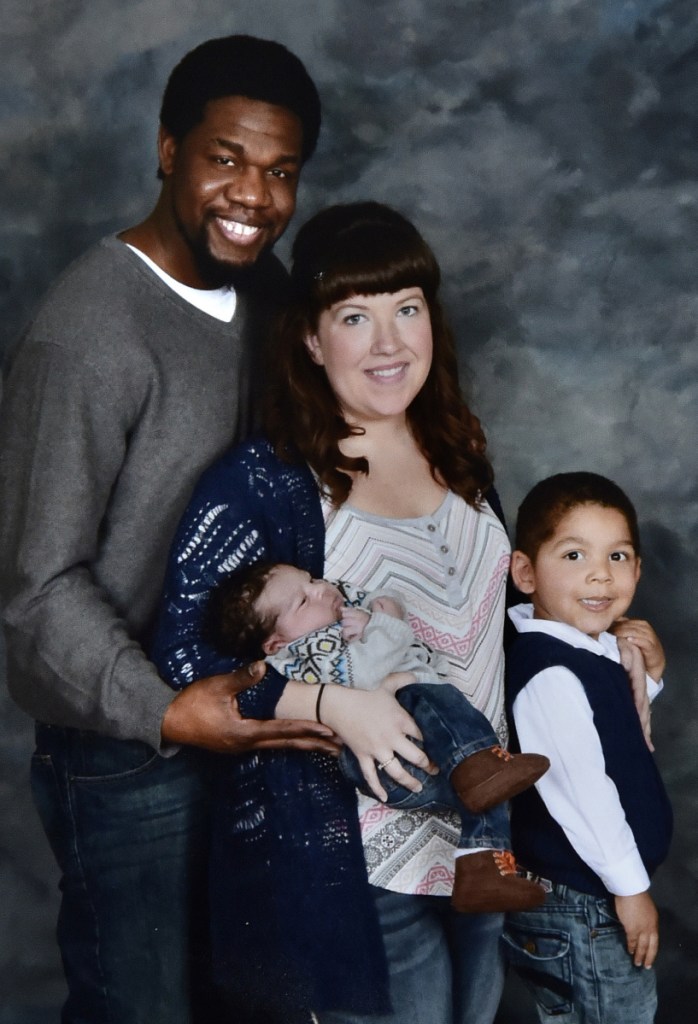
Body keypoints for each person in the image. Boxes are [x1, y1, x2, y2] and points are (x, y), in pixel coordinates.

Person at [0, 35, 333, 1024]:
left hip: (253, 725)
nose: (251, 195)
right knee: (141, 1008)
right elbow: (36, 588)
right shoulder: (87, 336)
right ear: (165, 151)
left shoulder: (272, 299)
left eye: (279, 172)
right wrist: (165, 711)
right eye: (224, 158)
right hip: (128, 750)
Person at [152, 201, 515, 1023]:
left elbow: (497, 620)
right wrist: (328, 702)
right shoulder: (269, 481)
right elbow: (181, 658)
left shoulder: (460, 452)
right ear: (312, 339)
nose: (390, 344)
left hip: (480, 843)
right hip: (359, 855)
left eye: (407, 309)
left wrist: (612, 640)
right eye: (356, 316)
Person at [212, 559, 549, 913]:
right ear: (274, 643)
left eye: (311, 580)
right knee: (434, 697)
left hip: (413, 751)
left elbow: (382, 599)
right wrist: (384, 624)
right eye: (303, 601)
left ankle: (482, 865)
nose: (320, 589)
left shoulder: (336, 611)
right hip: (388, 759)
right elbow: (366, 672)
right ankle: (477, 764)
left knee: (486, 791)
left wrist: (380, 609)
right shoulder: (299, 654)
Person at [502, 472, 673, 1024]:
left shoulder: (584, 649)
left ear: (638, 570)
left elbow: (610, 727)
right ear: (525, 572)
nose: (601, 573)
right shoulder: (550, 672)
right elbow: (583, 791)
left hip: (590, 899)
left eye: (619, 556)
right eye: (574, 555)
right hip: (584, 904)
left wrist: (649, 677)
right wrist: (630, 890)